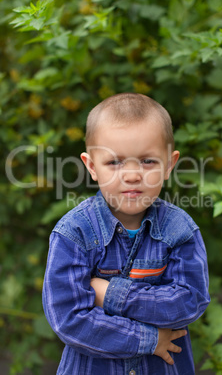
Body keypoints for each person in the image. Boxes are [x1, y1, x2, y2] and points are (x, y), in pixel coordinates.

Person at [42, 93, 210, 375]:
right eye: (115, 162)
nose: (132, 175)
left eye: (147, 161)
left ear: (169, 164)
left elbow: (189, 302)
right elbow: (68, 319)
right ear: (92, 166)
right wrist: (149, 339)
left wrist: (110, 293)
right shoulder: (74, 233)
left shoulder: (179, 230)